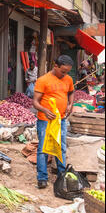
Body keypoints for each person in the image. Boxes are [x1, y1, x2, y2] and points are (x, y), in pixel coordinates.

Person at [33, 55, 75, 189]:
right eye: (63, 71)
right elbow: (35, 102)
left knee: (61, 147)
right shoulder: (43, 80)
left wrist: (70, 104)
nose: (65, 74)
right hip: (45, 120)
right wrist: (45, 110)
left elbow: (71, 92)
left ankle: (62, 175)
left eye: (67, 72)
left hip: (61, 119)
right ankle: (42, 178)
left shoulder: (68, 79)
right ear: (55, 66)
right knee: (43, 149)